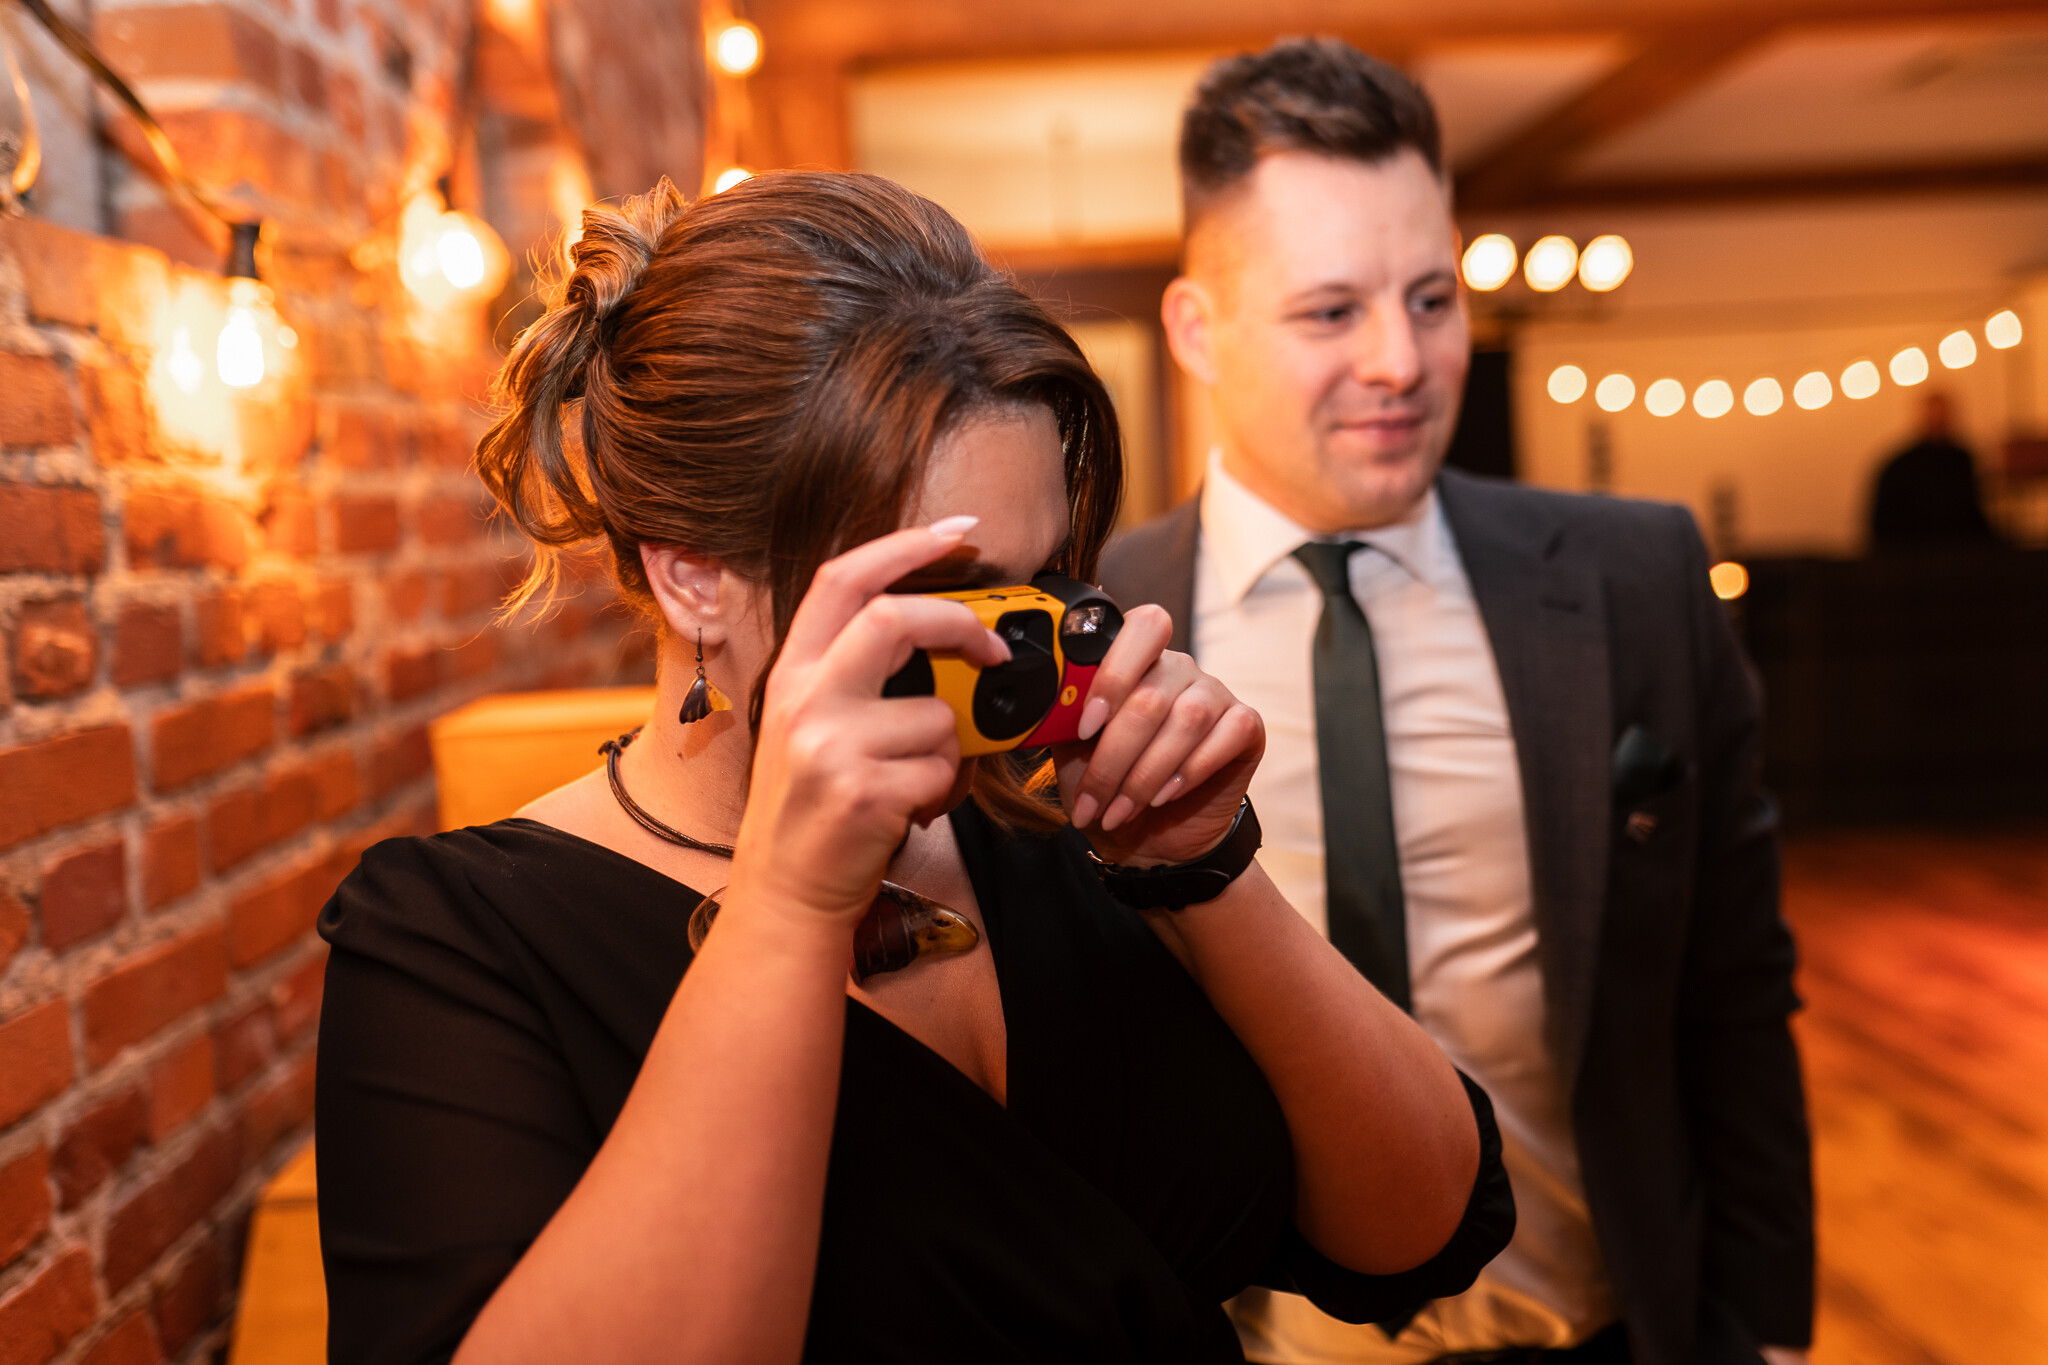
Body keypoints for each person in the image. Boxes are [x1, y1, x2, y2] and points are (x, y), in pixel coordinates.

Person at [313, 171, 1514, 1365]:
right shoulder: (459, 942)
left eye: (1034, 585)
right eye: (939, 593)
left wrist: (1202, 864)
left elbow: (1420, 1233)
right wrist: (789, 904)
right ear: (692, 575)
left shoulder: (1052, 830)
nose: (1000, 649)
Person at [1099, 40, 1812, 1365]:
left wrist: (1765, 1333)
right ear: (1195, 330)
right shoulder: (1100, 625)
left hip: (1598, 1330)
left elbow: (1734, 986)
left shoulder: (1636, 581)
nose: (1401, 360)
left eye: (1432, 298)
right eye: (1331, 312)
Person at [1867, 391, 1998, 551]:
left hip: (1954, 551)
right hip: (1914, 554)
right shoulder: (1901, 465)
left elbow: (1971, 511)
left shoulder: (1961, 460)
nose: (1938, 421)